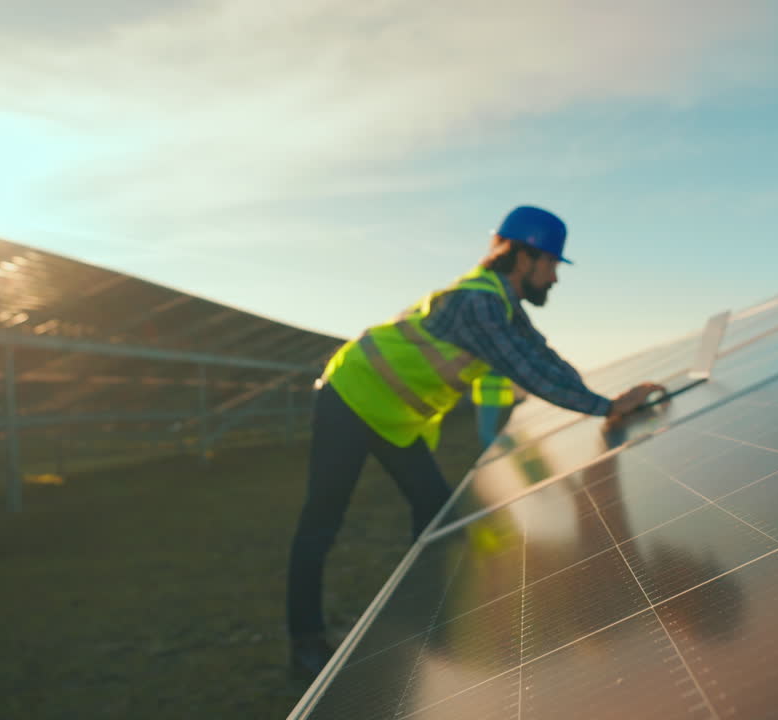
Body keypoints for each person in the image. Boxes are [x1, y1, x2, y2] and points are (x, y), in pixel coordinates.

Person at [285, 205, 665, 678]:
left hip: (394, 419)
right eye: (551, 264)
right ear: (523, 257)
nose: (554, 278)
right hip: (350, 396)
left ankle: (428, 625)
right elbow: (526, 370)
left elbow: (543, 357)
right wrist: (606, 408)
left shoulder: (502, 306)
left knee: (437, 520)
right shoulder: (480, 305)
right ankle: (306, 642)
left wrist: (608, 400)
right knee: (322, 521)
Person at [472, 373, 515, 448]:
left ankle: (499, 449)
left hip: (491, 398)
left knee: (487, 434)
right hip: (493, 398)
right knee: (488, 434)